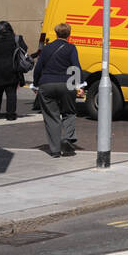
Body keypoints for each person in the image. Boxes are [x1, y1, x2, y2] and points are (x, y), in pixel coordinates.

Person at [33, 22, 82, 156]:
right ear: (69, 34)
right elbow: (76, 67)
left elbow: (38, 68)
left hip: (46, 84)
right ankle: (67, 136)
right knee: (69, 111)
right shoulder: (71, 48)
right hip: (66, 83)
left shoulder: (47, 49)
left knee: (51, 116)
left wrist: (36, 84)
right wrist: (79, 85)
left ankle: (55, 150)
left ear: (56, 33)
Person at [0, 21, 29, 121]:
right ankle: (10, 115)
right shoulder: (16, 38)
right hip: (12, 68)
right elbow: (24, 49)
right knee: (11, 93)